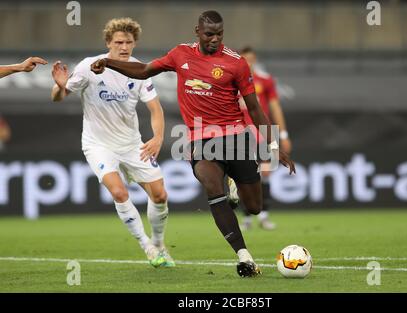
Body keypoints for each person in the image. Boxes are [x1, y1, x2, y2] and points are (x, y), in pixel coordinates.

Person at [90, 10, 296, 277]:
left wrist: (273, 147)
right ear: (197, 31)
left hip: (235, 138)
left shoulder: (236, 63)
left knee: (254, 208)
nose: (214, 39)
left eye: (219, 34)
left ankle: (234, 181)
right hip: (200, 139)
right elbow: (143, 70)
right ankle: (244, 257)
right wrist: (108, 62)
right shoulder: (180, 54)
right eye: (209, 34)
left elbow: (255, 109)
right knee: (212, 187)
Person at [51, 17, 175, 267]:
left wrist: (158, 137)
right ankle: (147, 247)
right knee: (119, 192)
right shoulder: (89, 66)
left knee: (160, 195)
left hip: (131, 144)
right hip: (99, 145)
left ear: (134, 44)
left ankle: (159, 243)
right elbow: (58, 96)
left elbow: (155, 109)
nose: (124, 47)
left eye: (129, 42)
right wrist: (59, 86)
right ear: (109, 42)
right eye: (119, 41)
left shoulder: (141, 70)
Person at [228, 46, 292, 231]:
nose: (247, 62)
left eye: (250, 59)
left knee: (265, 173)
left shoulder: (265, 81)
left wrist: (284, 134)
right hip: (240, 133)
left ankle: (263, 215)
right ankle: (247, 217)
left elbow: (275, 107)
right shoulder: (231, 81)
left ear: (254, 60)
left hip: (262, 132)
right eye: (244, 59)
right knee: (245, 175)